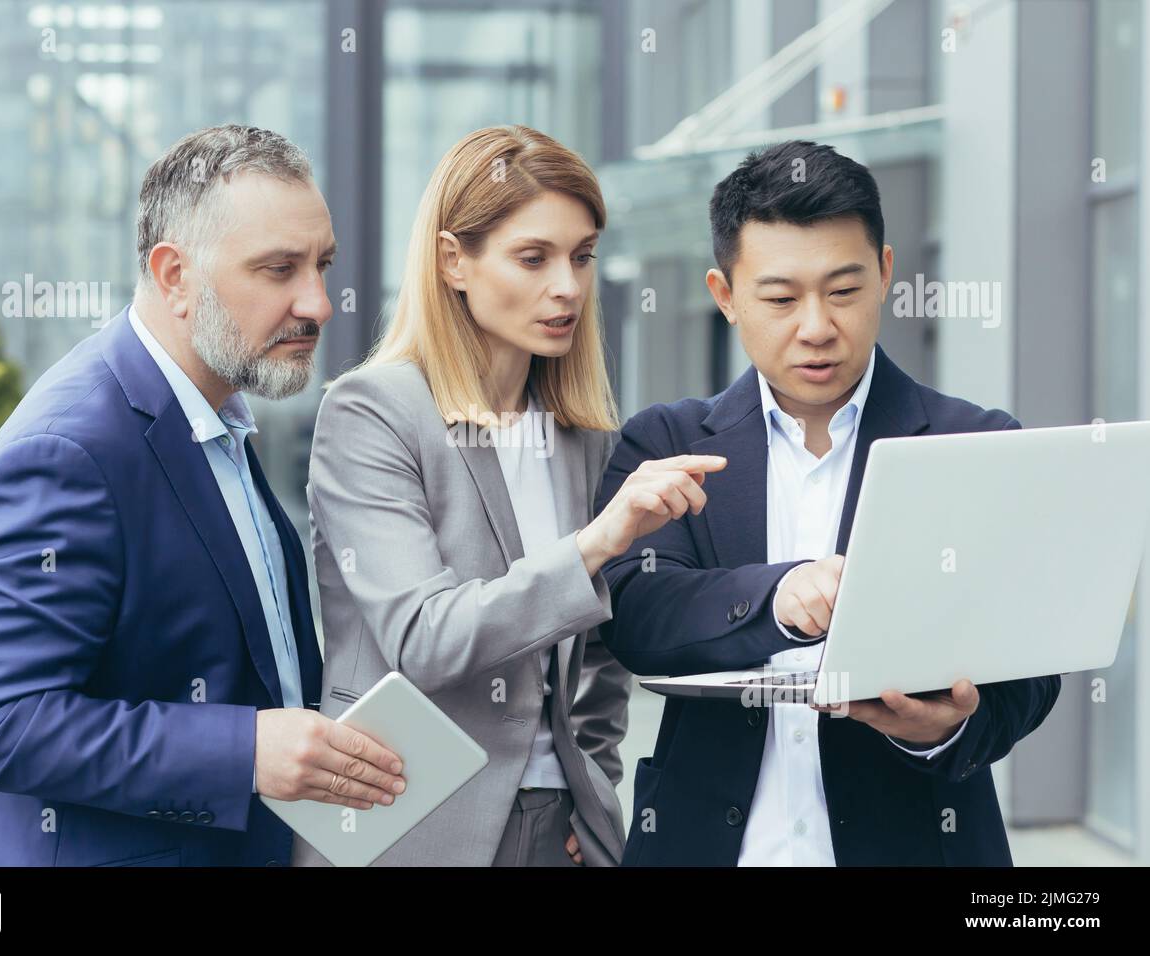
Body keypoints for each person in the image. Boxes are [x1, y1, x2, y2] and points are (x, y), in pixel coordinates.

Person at [0, 125, 404, 867]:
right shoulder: (68, 452)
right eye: (279, 269)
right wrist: (243, 750)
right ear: (174, 275)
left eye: (322, 265)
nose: (318, 303)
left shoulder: (218, 418)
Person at [595, 140, 1061, 866]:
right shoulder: (666, 440)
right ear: (725, 296)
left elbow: (1030, 668)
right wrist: (779, 597)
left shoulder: (976, 442)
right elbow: (633, 612)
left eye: (843, 291)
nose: (816, 326)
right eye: (780, 299)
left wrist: (938, 729)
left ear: (883, 275)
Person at [292, 125, 724, 867]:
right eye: (534, 257)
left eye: (582, 256)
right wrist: (595, 544)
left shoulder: (580, 434)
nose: (568, 286)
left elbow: (596, 663)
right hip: (405, 828)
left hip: (556, 831)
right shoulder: (373, 412)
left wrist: (584, 793)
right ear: (454, 260)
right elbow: (424, 639)